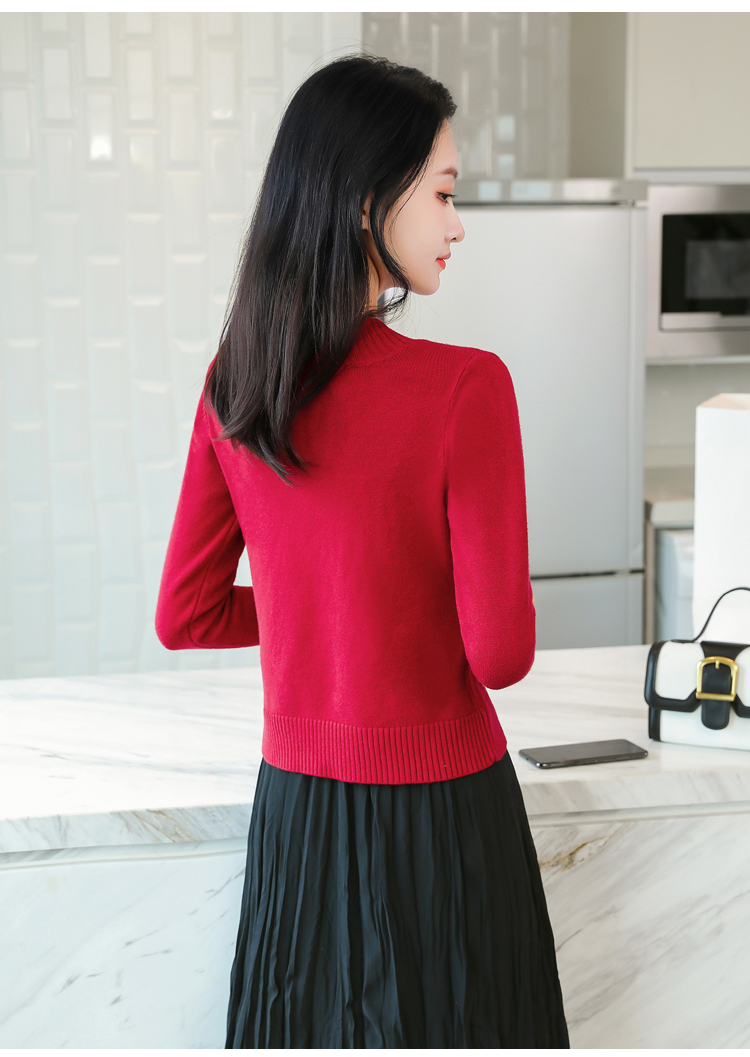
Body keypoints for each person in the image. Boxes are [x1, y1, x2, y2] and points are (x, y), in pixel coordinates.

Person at [155, 53, 570, 1049]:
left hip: (298, 821)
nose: (458, 224)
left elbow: (187, 614)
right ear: (364, 200)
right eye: (445, 193)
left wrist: (323, 606)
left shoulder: (235, 383)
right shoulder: (467, 388)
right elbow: (501, 653)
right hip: (446, 820)